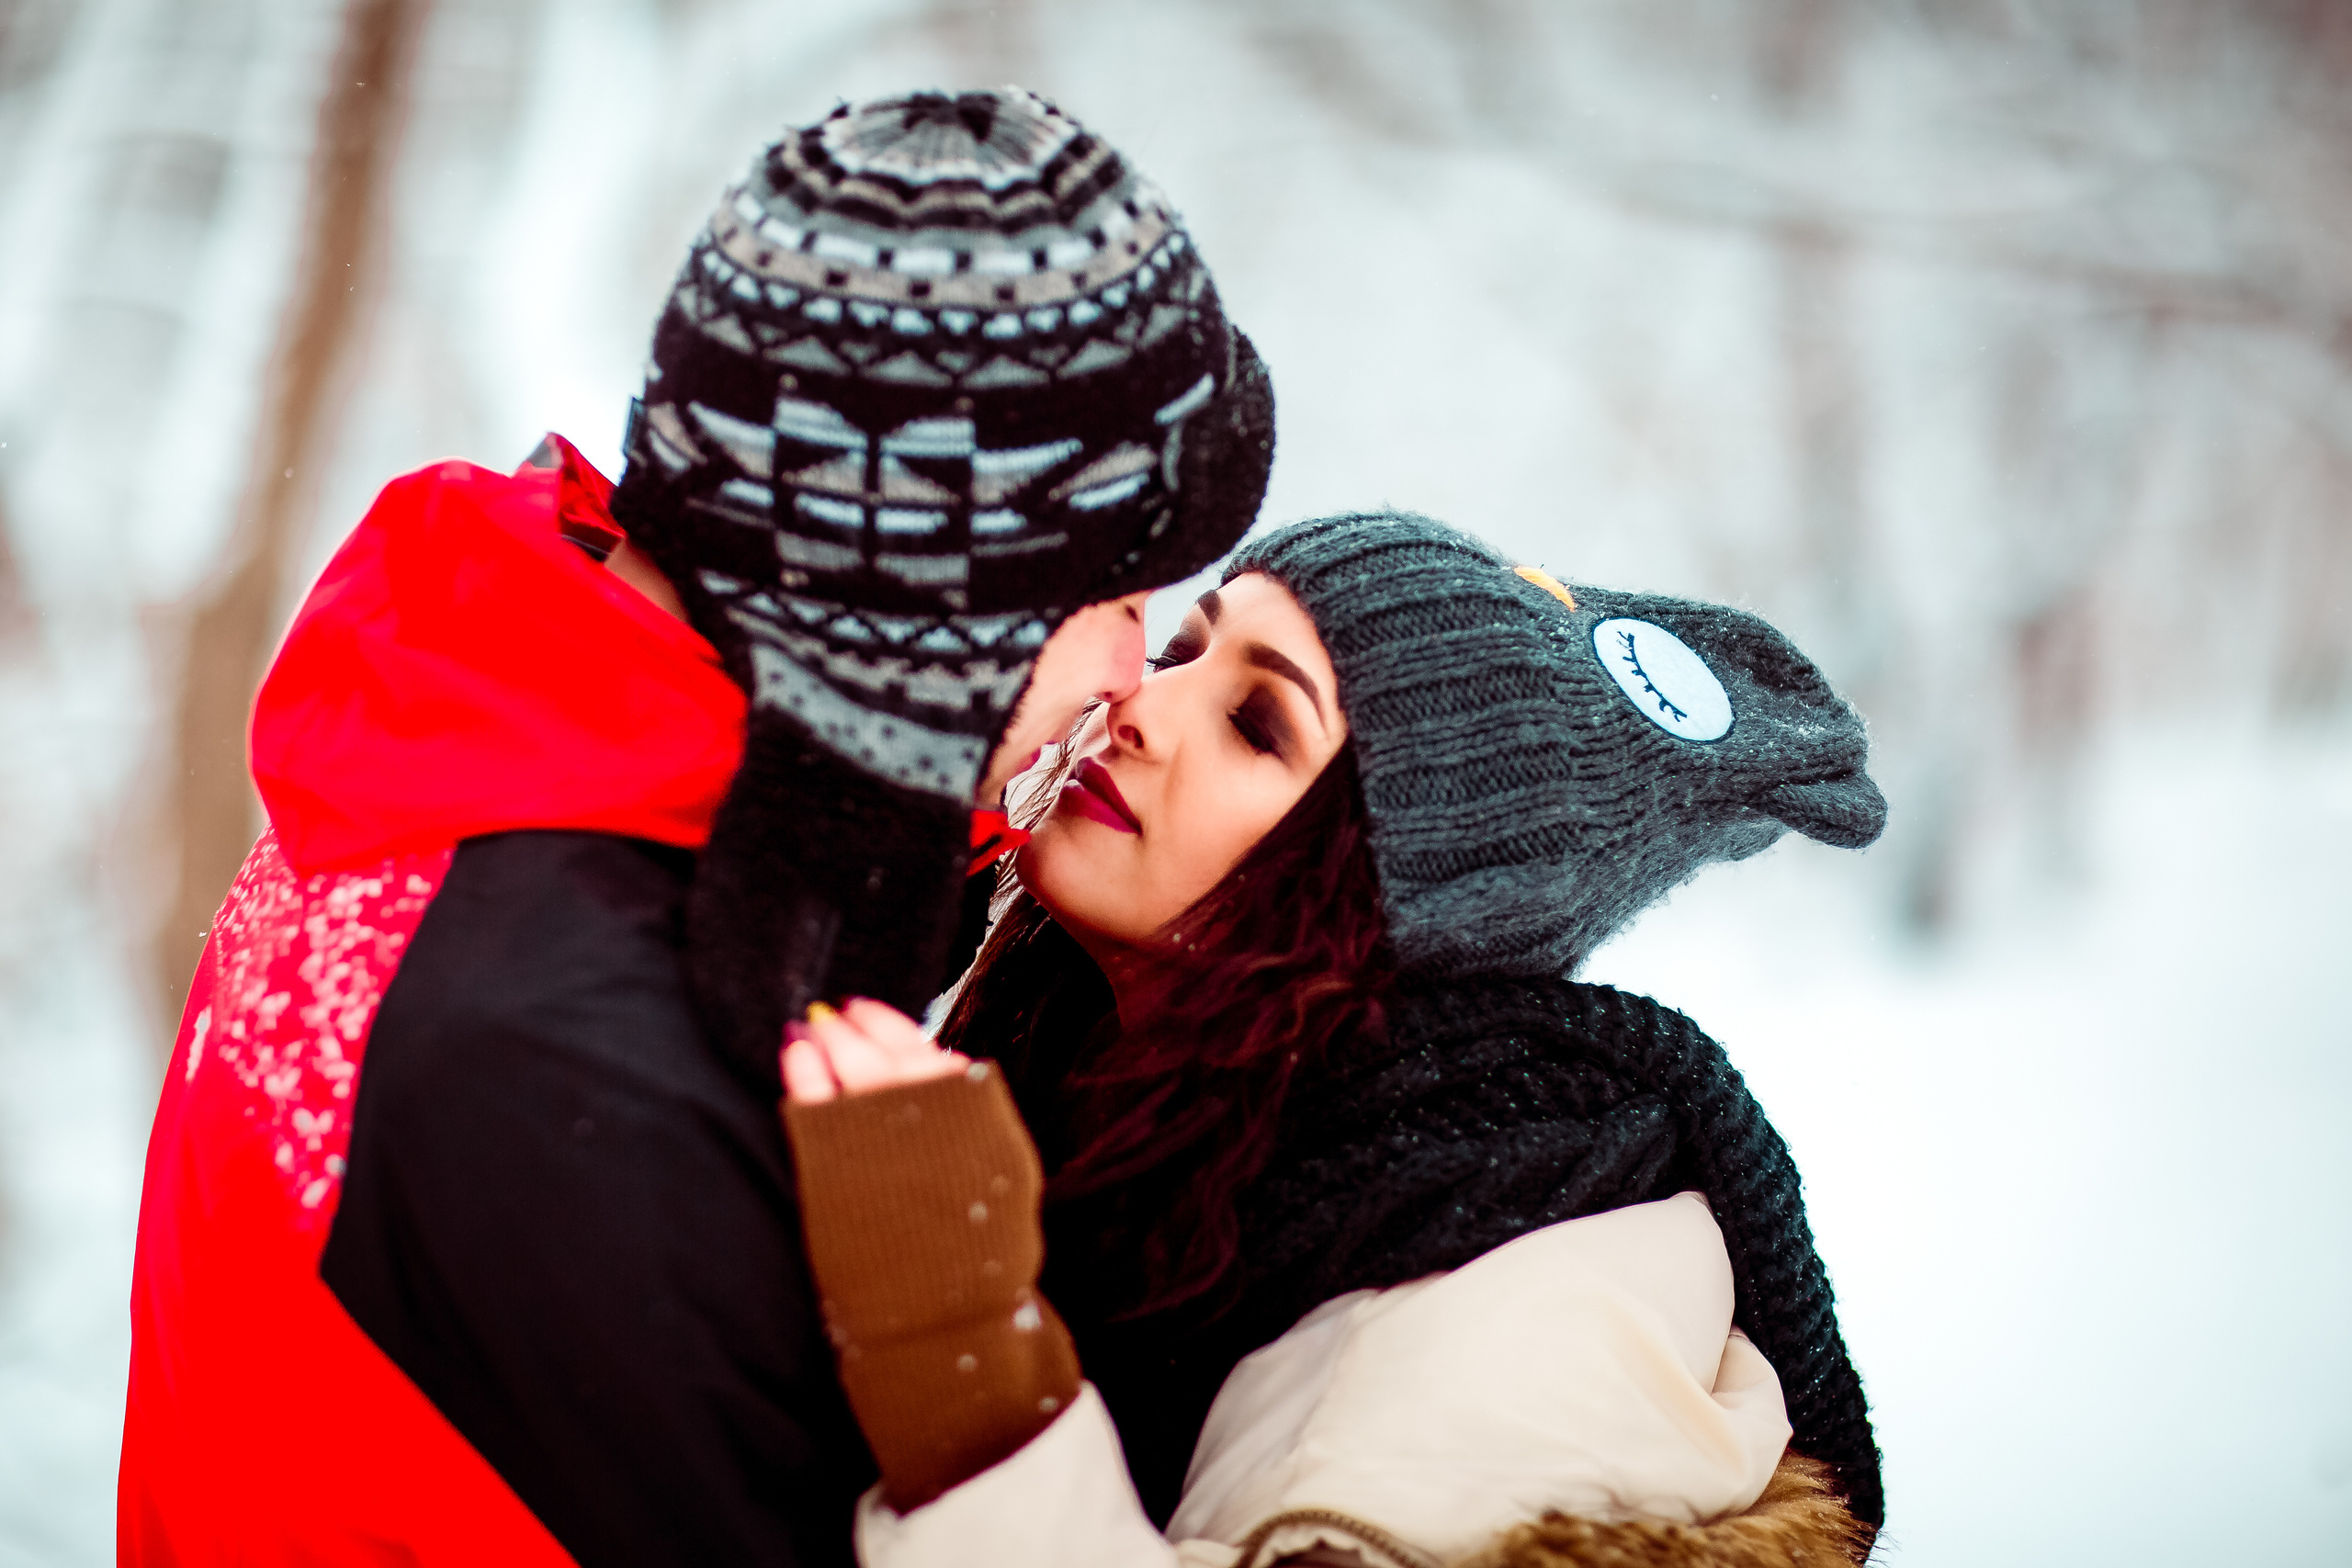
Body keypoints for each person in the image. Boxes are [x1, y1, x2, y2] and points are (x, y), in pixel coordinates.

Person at [119, 88, 1274, 1567]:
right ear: (919, 612)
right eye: (1114, 601)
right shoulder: (592, 1076)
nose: (1129, 675)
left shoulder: (489, 739)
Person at [776, 512, 1890, 1566]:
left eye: (1256, 725)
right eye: (1180, 655)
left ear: (1407, 894)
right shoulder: (1109, 1079)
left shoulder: (1500, 1304)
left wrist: (957, 1347)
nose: (1138, 708)